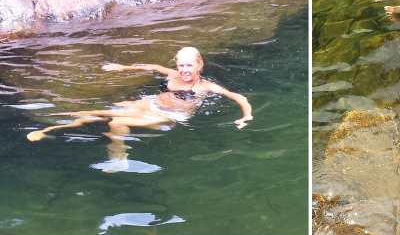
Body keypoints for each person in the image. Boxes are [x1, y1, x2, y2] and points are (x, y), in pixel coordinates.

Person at [26, 47, 252, 169]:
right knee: (94, 112)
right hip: (150, 104)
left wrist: (246, 117)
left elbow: (238, 97)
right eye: (181, 64)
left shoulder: (206, 86)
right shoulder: (172, 74)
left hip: (172, 115)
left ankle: (120, 157)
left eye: (189, 65)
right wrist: (121, 67)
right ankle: (46, 130)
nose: (183, 70)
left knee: (116, 120)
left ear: (199, 64)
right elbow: (152, 66)